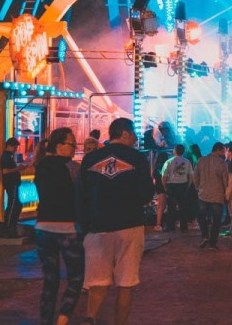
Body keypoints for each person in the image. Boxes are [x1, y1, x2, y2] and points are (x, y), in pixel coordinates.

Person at [77, 118, 153, 325]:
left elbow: (82, 196)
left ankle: (90, 317)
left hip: (97, 227)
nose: (136, 138)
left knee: (97, 281)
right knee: (126, 282)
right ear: (125, 133)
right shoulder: (137, 159)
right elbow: (146, 193)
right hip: (129, 225)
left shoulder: (90, 160)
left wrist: (84, 226)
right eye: (134, 134)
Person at [34, 128, 83, 325]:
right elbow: (80, 195)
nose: (74, 148)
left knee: (50, 281)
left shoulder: (40, 166)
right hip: (68, 227)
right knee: (76, 277)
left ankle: (45, 321)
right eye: (72, 144)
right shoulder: (73, 168)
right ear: (59, 146)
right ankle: (62, 319)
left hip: (43, 228)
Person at [193, 142, 228, 249]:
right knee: (216, 220)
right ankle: (213, 242)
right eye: (222, 150)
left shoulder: (201, 160)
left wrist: (198, 188)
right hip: (217, 195)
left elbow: (195, 177)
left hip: (203, 194)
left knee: (201, 217)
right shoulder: (222, 163)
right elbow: (225, 180)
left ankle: (204, 236)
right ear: (218, 150)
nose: (223, 153)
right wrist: (226, 193)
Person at [161, 144, 193, 233]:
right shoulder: (187, 162)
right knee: (183, 206)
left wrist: (164, 187)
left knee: (171, 207)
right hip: (183, 185)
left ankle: (171, 226)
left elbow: (164, 176)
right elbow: (191, 175)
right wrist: (188, 185)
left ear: (174, 150)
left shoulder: (168, 162)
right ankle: (183, 225)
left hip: (171, 186)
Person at [1, 137, 28, 235]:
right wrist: (18, 169)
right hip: (11, 183)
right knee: (13, 205)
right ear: (9, 146)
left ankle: (11, 225)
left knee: (16, 204)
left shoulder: (9, 156)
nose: (15, 150)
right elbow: (5, 171)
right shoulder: (6, 156)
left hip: (13, 183)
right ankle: (9, 226)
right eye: (15, 148)